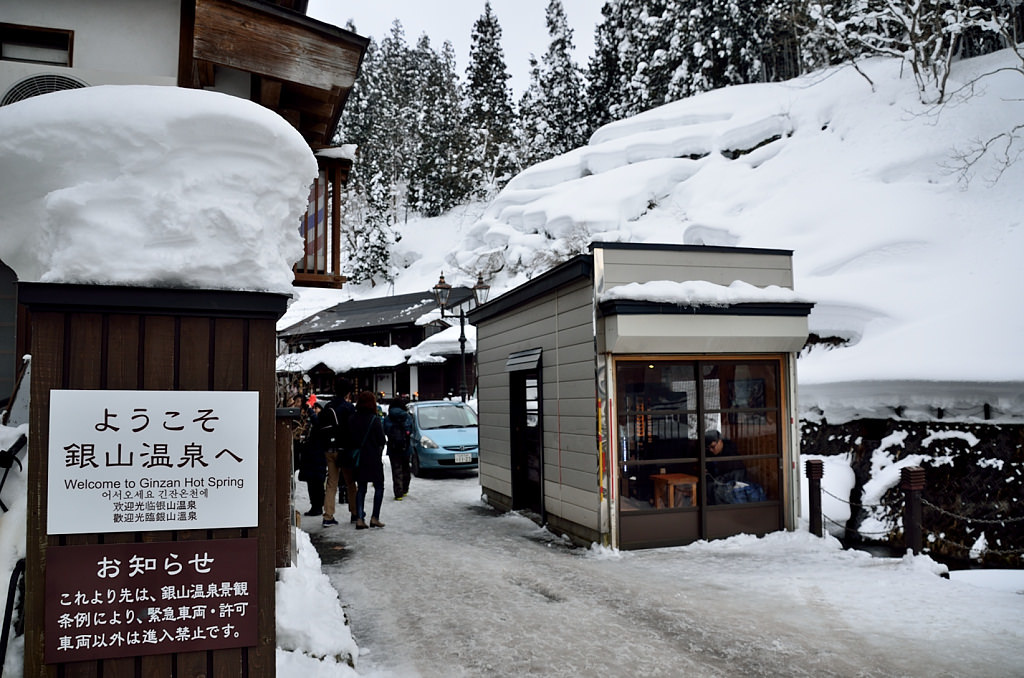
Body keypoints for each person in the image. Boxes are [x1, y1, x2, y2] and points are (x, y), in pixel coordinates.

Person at [315, 377, 357, 527]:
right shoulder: (349, 408)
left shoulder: (328, 407)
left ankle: (328, 516)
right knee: (350, 482)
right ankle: (355, 512)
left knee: (331, 483)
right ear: (347, 392)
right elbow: (353, 429)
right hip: (344, 450)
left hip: (328, 449)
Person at [348, 390, 387, 529]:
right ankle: (375, 517)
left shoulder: (352, 418)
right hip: (373, 458)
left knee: (361, 488)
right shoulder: (374, 419)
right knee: (379, 486)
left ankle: (359, 518)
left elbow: (349, 439)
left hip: (358, 459)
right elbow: (382, 439)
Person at [705, 429, 765, 504]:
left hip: (731, 486)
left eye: (713, 447)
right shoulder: (710, 454)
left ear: (720, 442)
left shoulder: (731, 455)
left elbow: (737, 476)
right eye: (708, 448)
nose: (711, 450)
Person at [296, 401, 326, 516]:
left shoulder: (320, 422)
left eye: (318, 408)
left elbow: (317, 423)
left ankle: (317, 507)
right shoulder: (309, 423)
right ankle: (314, 506)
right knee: (311, 484)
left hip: (317, 457)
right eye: (315, 408)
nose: (316, 410)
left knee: (317, 484)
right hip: (310, 458)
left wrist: (310, 411)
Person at [383, 396, 413, 500]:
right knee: (406, 468)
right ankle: (405, 489)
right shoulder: (407, 416)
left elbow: (385, 430)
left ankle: (398, 493)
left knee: (396, 470)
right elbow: (411, 429)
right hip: (406, 446)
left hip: (393, 447)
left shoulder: (388, 417)